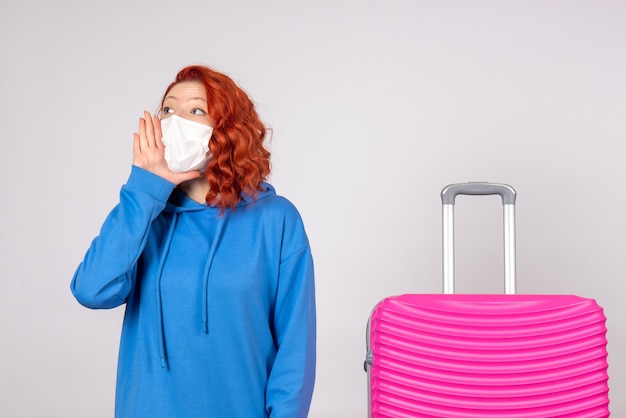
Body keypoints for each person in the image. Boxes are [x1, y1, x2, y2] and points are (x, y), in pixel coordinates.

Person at [70, 65, 316, 418]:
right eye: (167, 110)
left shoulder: (275, 219)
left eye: (195, 111)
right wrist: (143, 190)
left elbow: (295, 348)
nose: (175, 121)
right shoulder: (144, 215)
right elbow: (91, 290)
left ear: (227, 129)